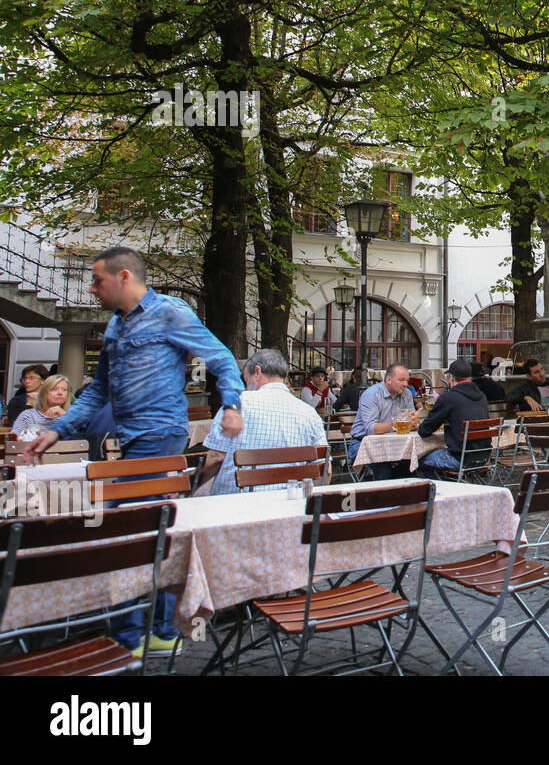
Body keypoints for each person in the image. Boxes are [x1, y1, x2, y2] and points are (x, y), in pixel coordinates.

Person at [25, 246, 244, 659]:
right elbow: (97, 394)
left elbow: (221, 357)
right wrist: (57, 432)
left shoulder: (170, 312)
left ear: (124, 277)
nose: (92, 289)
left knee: (125, 529)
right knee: (151, 529)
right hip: (130, 438)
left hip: (161, 434)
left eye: (98, 280)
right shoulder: (112, 330)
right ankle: (161, 628)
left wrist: (231, 405)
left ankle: (128, 636)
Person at [199, 349, 329, 496]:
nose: (245, 386)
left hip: (233, 506)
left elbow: (215, 459)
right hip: (288, 507)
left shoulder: (235, 406)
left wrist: (193, 487)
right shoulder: (309, 413)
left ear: (257, 372)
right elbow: (325, 470)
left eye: (245, 379)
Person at [416, 359, 489, 476]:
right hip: (483, 458)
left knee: (418, 460)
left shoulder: (448, 398)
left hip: (460, 459)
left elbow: (424, 431)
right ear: (469, 377)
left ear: (451, 378)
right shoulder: (482, 397)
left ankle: (441, 490)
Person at [349, 363, 415, 463]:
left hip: (394, 442)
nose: (405, 384)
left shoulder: (407, 394)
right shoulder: (372, 394)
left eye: (407, 380)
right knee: (381, 462)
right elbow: (371, 429)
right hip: (362, 442)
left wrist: (415, 423)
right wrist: (396, 424)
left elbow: (411, 422)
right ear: (388, 380)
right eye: (401, 380)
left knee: (410, 459)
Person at [10, 374, 73, 441]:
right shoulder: (28, 415)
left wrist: (64, 416)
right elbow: (13, 441)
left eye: (64, 390)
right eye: (54, 389)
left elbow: (80, 440)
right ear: (44, 393)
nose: (60, 393)